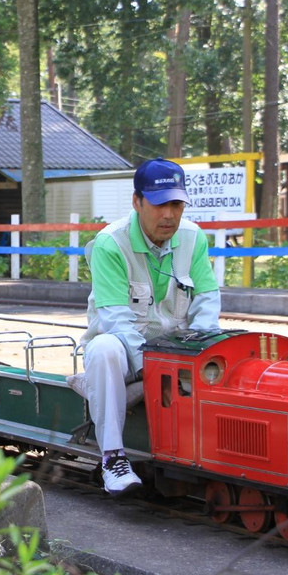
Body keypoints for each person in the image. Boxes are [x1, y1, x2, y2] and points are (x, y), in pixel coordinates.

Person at [77, 158, 221, 495]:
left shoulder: (193, 237)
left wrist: (202, 355)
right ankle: (112, 459)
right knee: (104, 348)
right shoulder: (110, 244)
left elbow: (206, 302)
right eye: (159, 204)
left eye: (176, 204)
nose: (169, 214)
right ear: (137, 202)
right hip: (129, 359)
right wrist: (156, 373)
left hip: (176, 353)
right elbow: (116, 320)